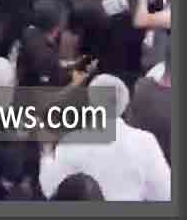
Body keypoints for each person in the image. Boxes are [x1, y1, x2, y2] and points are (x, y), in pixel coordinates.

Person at [38, 74, 170, 201]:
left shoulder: (70, 143)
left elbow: (50, 189)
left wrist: (47, 151)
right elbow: (164, 194)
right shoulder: (145, 142)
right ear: (124, 105)